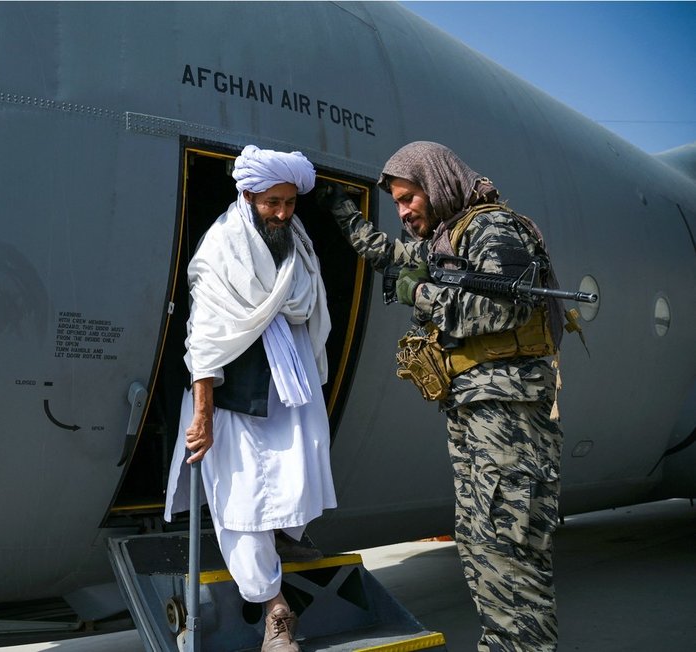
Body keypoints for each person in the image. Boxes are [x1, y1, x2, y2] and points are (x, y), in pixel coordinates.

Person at [325, 141, 564, 651]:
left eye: (410, 198)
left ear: (437, 184)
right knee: (480, 548)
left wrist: (420, 293)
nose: (405, 211)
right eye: (397, 203)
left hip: (509, 410)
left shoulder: (493, 228)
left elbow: (506, 310)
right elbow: (387, 252)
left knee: (511, 546)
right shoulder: (445, 240)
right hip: (473, 409)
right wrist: (342, 210)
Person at [164, 144, 337, 652]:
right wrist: (203, 415)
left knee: (297, 477)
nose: (282, 213)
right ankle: (275, 610)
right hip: (235, 398)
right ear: (247, 195)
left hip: (292, 388)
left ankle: (289, 534)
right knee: (243, 502)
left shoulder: (296, 242)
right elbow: (207, 336)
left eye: (289, 202)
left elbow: (307, 304)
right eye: (271, 204)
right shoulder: (222, 249)